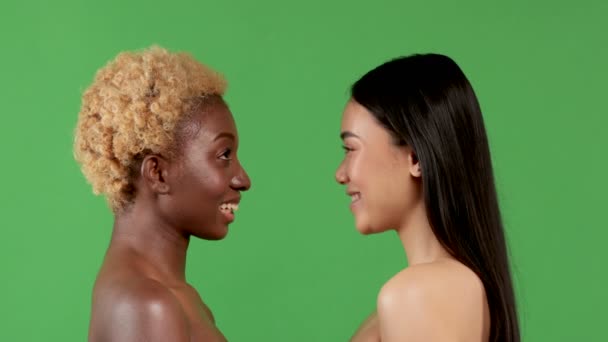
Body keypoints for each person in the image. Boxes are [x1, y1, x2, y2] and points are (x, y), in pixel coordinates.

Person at [335, 54, 519, 342]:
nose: (340, 174)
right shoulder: (447, 290)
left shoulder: (416, 294)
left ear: (416, 157)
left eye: (351, 148)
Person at [74, 46, 251, 341]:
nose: (243, 179)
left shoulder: (179, 298)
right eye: (224, 155)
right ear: (157, 173)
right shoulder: (147, 305)